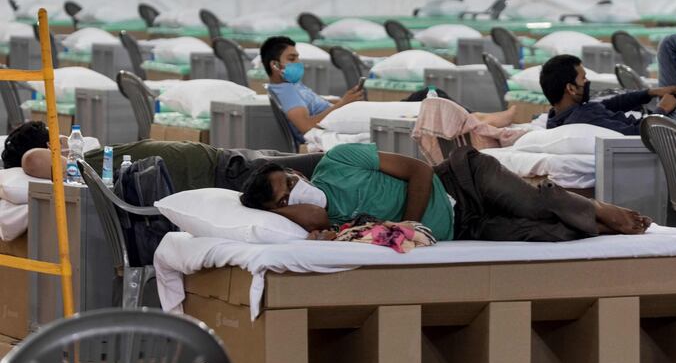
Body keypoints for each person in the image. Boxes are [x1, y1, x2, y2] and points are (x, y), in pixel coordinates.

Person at [239, 142, 652, 243]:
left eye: (291, 184)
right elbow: (313, 228)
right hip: (464, 227)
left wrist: (407, 221)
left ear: (296, 172)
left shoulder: (338, 161)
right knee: (549, 234)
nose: (295, 195)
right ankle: (606, 230)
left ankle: (597, 205)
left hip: (461, 179)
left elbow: (418, 169)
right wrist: (290, 214)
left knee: (533, 205)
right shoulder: (332, 227)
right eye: (283, 201)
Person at [539, 9, 676, 153]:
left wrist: (650, 93)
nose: (587, 82)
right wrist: (661, 111)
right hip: (672, 131)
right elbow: (634, 136)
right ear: (570, 88)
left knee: (668, 45)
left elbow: (613, 105)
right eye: (583, 78)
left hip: (663, 120)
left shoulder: (563, 115)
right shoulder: (581, 118)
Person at [263, 36, 516, 144]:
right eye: (292, 58)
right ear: (275, 65)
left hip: (341, 113)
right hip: (339, 120)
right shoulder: (285, 91)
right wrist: (344, 104)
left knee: (427, 94)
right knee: (429, 96)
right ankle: (481, 119)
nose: (298, 63)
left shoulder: (290, 86)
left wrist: (338, 101)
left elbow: (311, 111)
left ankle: (480, 117)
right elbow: (306, 127)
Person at [3, 121, 320, 192]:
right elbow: (32, 159)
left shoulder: (88, 158)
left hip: (223, 159)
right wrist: (53, 148)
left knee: (316, 160)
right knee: (324, 164)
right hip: (224, 172)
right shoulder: (48, 159)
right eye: (52, 131)